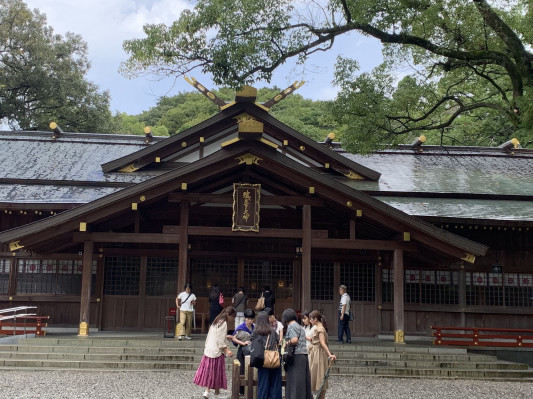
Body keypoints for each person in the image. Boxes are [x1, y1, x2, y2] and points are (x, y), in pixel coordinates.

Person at [193, 306, 236, 399]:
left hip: (209, 348)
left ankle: (216, 391)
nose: (233, 319)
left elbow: (215, 335)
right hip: (216, 351)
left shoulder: (217, 320)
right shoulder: (223, 323)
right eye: (233, 317)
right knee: (214, 372)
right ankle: (207, 391)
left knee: (211, 371)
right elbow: (220, 339)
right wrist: (227, 350)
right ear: (228, 315)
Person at [281, 308, 312, 399]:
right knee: (302, 382)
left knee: (295, 381)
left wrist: (287, 343)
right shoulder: (300, 327)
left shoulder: (291, 326)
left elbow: (294, 339)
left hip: (296, 357)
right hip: (304, 356)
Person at [251, 311, 282, 399]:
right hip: (274, 359)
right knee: (275, 385)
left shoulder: (256, 332)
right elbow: (277, 342)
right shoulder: (272, 331)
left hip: (262, 360)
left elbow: (253, 344)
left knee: (263, 385)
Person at [308, 310, 336, 399]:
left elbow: (323, 343)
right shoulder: (318, 328)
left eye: (311, 319)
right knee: (315, 375)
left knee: (318, 375)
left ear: (315, 319)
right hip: (315, 352)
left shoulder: (320, 329)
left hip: (318, 354)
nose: (310, 321)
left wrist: (329, 354)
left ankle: (320, 396)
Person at [227, 308, 255, 396]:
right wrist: (243, 343)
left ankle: (252, 389)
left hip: (253, 351)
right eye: (248, 319)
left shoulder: (255, 327)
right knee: (242, 370)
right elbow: (233, 338)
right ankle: (241, 390)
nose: (250, 321)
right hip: (243, 351)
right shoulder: (241, 327)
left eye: (251, 318)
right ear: (245, 318)